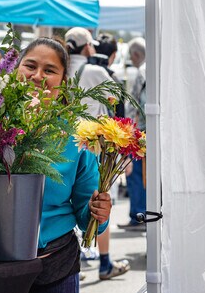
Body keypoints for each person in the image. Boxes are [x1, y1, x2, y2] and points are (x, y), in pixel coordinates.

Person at [0, 37, 113, 292]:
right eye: (30, 66)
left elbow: (87, 217)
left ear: (64, 81)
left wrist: (100, 213)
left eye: (50, 70)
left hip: (54, 267)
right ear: (16, 69)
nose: (37, 76)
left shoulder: (77, 136)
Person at [65, 28, 129, 280]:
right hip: (96, 146)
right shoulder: (95, 71)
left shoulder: (63, 70)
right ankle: (104, 262)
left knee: (69, 202)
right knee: (100, 201)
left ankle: (76, 258)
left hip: (67, 144)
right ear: (87, 47)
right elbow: (120, 101)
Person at [119, 37, 147, 231]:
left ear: (136, 55)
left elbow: (133, 104)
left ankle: (138, 215)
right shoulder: (158, 67)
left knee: (135, 175)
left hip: (142, 132)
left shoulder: (142, 72)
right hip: (156, 131)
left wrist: (128, 131)